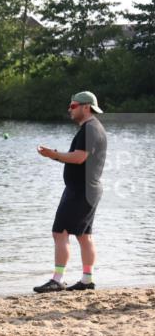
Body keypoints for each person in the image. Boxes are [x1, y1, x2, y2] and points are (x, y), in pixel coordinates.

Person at [34, 91, 107, 293]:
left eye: (73, 106)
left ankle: (57, 279)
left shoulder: (90, 129)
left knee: (60, 232)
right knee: (84, 236)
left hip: (81, 190)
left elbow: (79, 157)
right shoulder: (92, 128)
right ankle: (87, 279)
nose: (69, 109)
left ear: (86, 107)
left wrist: (53, 155)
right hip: (87, 189)